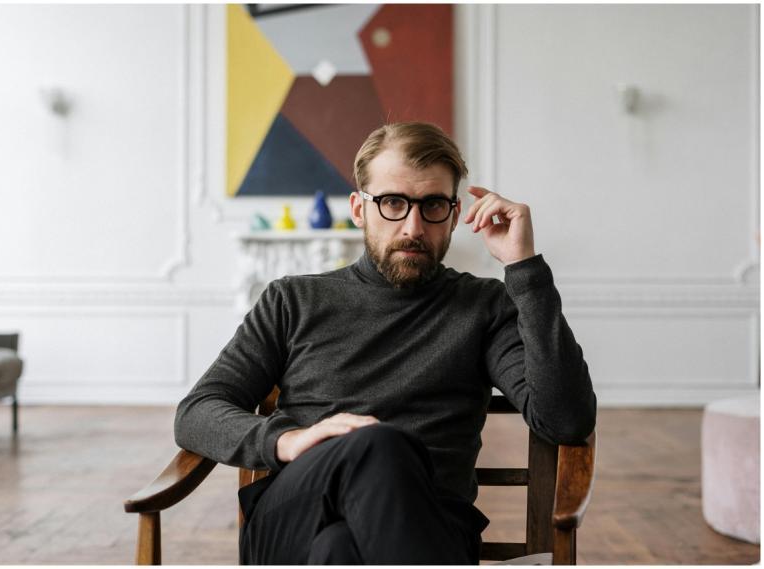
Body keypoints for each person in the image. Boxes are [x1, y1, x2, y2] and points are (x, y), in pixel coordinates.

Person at [174, 122, 596, 564]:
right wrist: (289, 440)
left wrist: (524, 267)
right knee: (379, 445)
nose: (413, 226)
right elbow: (197, 412)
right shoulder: (292, 299)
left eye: (433, 205)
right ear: (359, 208)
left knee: (339, 547)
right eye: (393, 202)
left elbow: (565, 419)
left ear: (454, 215)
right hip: (296, 513)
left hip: (430, 526)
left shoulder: (483, 306)